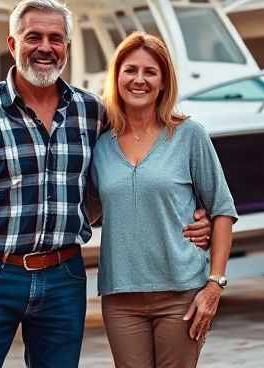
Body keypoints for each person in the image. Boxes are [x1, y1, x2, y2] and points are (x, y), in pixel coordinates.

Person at [0, 0, 212, 368]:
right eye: (33, 37)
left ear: (66, 47)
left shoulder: (92, 113)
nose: (45, 48)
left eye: (55, 39)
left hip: (63, 278)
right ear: (12, 43)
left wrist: (197, 216)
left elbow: (139, 168)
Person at [90, 32, 238, 368]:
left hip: (181, 294)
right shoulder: (100, 145)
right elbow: (87, 210)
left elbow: (222, 211)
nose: (139, 80)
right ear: (116, 77)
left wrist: (214, 285)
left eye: (150, 72)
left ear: (163, 82)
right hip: (120, 297)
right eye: (130, 70)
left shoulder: (189, 135)